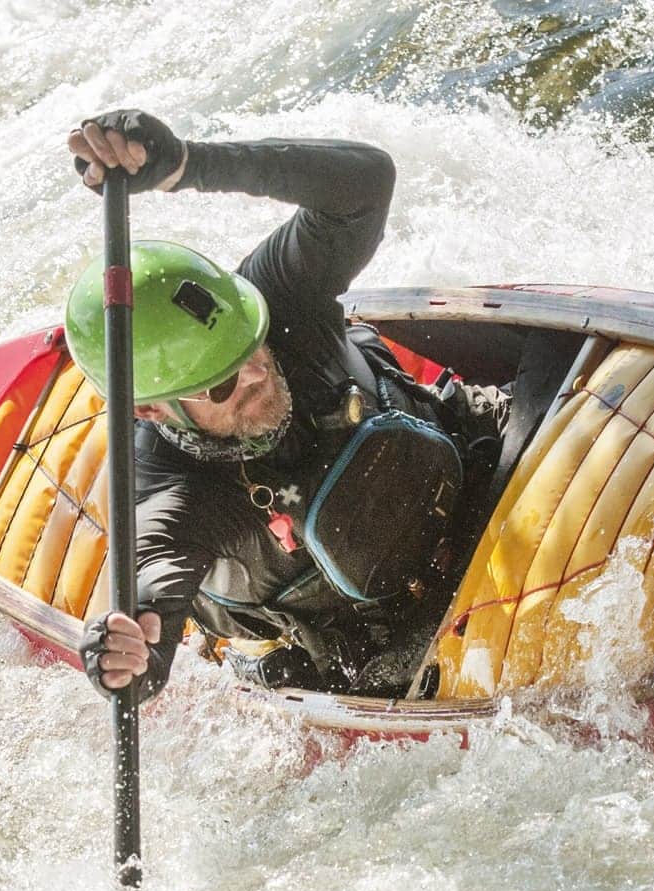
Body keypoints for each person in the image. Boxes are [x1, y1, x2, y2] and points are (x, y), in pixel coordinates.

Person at [64, 110, 507, 703]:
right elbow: (148, 595)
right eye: (221, 385)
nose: (256, 374)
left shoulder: (279, 296)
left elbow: (366, 181)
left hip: (473, 471)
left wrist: (187, 165)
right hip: (374, 639)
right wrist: (131, 657)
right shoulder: (169, 493)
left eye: (253, 347)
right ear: (150, 412)